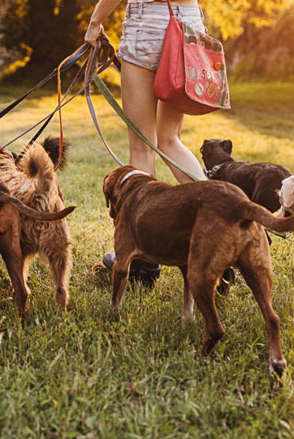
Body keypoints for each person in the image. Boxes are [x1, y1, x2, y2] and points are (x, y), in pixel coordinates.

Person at [86, 0, 210, 284]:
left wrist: (95, 22)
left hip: (148, 24)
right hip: (189, 22)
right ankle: (218, 225)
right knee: (170, 140)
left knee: (142, 146)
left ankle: (142, 262)